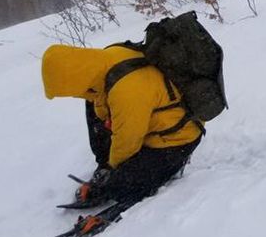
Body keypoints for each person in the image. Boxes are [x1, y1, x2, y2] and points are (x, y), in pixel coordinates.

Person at [41, 43, 204, 220]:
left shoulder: (127, 90)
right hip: (152, 119)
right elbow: (102, 104)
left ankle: (172, 166)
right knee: (91, 102)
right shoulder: (105, 59)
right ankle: (107, 168)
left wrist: (113, 174)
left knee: (122, 186)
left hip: (178, 137)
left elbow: (128, 142)